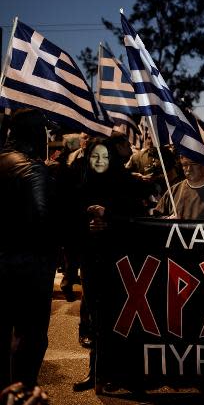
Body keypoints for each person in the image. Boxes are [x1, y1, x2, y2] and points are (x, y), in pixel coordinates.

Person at [72, 138, 146, 392]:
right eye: (95, 156)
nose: (99, 161)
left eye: (104, 156)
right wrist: (87, 223)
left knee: (117, 318)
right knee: (96, 318)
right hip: (91, 260)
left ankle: (117, 373)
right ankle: (95, 373)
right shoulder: (80, 182)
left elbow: (138, 219)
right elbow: (67, 218)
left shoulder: (126, 182)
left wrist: (110, 218)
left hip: (120, 262)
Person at [0, 109, 57, 389]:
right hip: (28, 268)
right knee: (30, 338)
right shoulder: (33, 169)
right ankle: (23, 393)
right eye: (44, 132)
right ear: (35, 134)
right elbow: (43, 219)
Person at [154, 155, 204, 220]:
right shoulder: (173, 190)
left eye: (194, 164)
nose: (189, 169)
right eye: (185, 165)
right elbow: (156, 218)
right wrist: (167, 219)